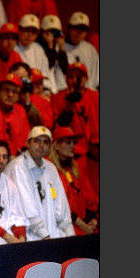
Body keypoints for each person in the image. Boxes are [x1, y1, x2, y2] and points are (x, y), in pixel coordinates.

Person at [4, 125, 75, 240]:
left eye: (45, 142)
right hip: (29, 237)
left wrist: (71, 236)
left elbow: (62, 208)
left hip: (52, 235)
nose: (41, 146)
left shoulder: (50, 168)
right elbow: (27, 208)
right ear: (28, 143)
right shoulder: (18, 167)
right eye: (37, 141)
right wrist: (46, 237)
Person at [50, 61, 99, 195]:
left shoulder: (96, 96)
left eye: (79, 77)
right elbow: (58, 127)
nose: (75, 81)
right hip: (72, 154)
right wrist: (69, 103)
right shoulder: (58, 98)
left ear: (87, 79)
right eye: (71, 77)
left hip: (94, 153)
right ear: (66, 79)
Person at [48, 127, 98, 235]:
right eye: (68, 143)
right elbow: (56, 206)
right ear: (56, 145)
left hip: (84, 226)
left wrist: (93, 220)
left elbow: (89, 198)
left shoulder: (75, 167)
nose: (73, 146)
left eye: (74, 143)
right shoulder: (50, 170)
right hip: (64, 228)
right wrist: (81, 224)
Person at [0, 139, 29, 245]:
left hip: (8, 236)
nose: (1, 160)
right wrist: (8, 237)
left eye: (4, 157)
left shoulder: (9, 183)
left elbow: (18, 215)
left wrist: (21, 237)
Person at [0, 72, 31, 158]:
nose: (10, 95)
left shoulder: (20, 111)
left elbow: (25, 140)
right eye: (6, 90)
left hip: (16, 159)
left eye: (14, 91)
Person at [14, 14, 55, 92]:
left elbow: (45, 72)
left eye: (33, 32)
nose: (30, 35)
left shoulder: (38, 48)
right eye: (26, 30)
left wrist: (47, 90)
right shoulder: (13, 48)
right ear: (19, 30)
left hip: (38, 89)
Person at [8, 61, 54, 130]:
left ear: (30, 78)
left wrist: (28, 105)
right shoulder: (6, 99)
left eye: (21, 79)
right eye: (15, 79)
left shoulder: (43, 103)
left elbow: (45, 128)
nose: (18, 83)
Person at [62, 12, 99, 90]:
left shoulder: (90, 49)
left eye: (83, 30)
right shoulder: (59, 47)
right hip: (64, 93)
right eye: (76, 29)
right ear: (68, 28)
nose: (78, 33)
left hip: (89, 95)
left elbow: (97, 78)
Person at [37, 14, 69, 93]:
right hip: (44, 88)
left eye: (55, 32)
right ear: (42, 32)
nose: (51, 35)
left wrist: (61, 48)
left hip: (57, 87)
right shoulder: (37, 47)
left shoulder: (57, 46)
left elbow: (65, 69)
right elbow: (47, 66)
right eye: (48, 31)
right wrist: (50, 46)